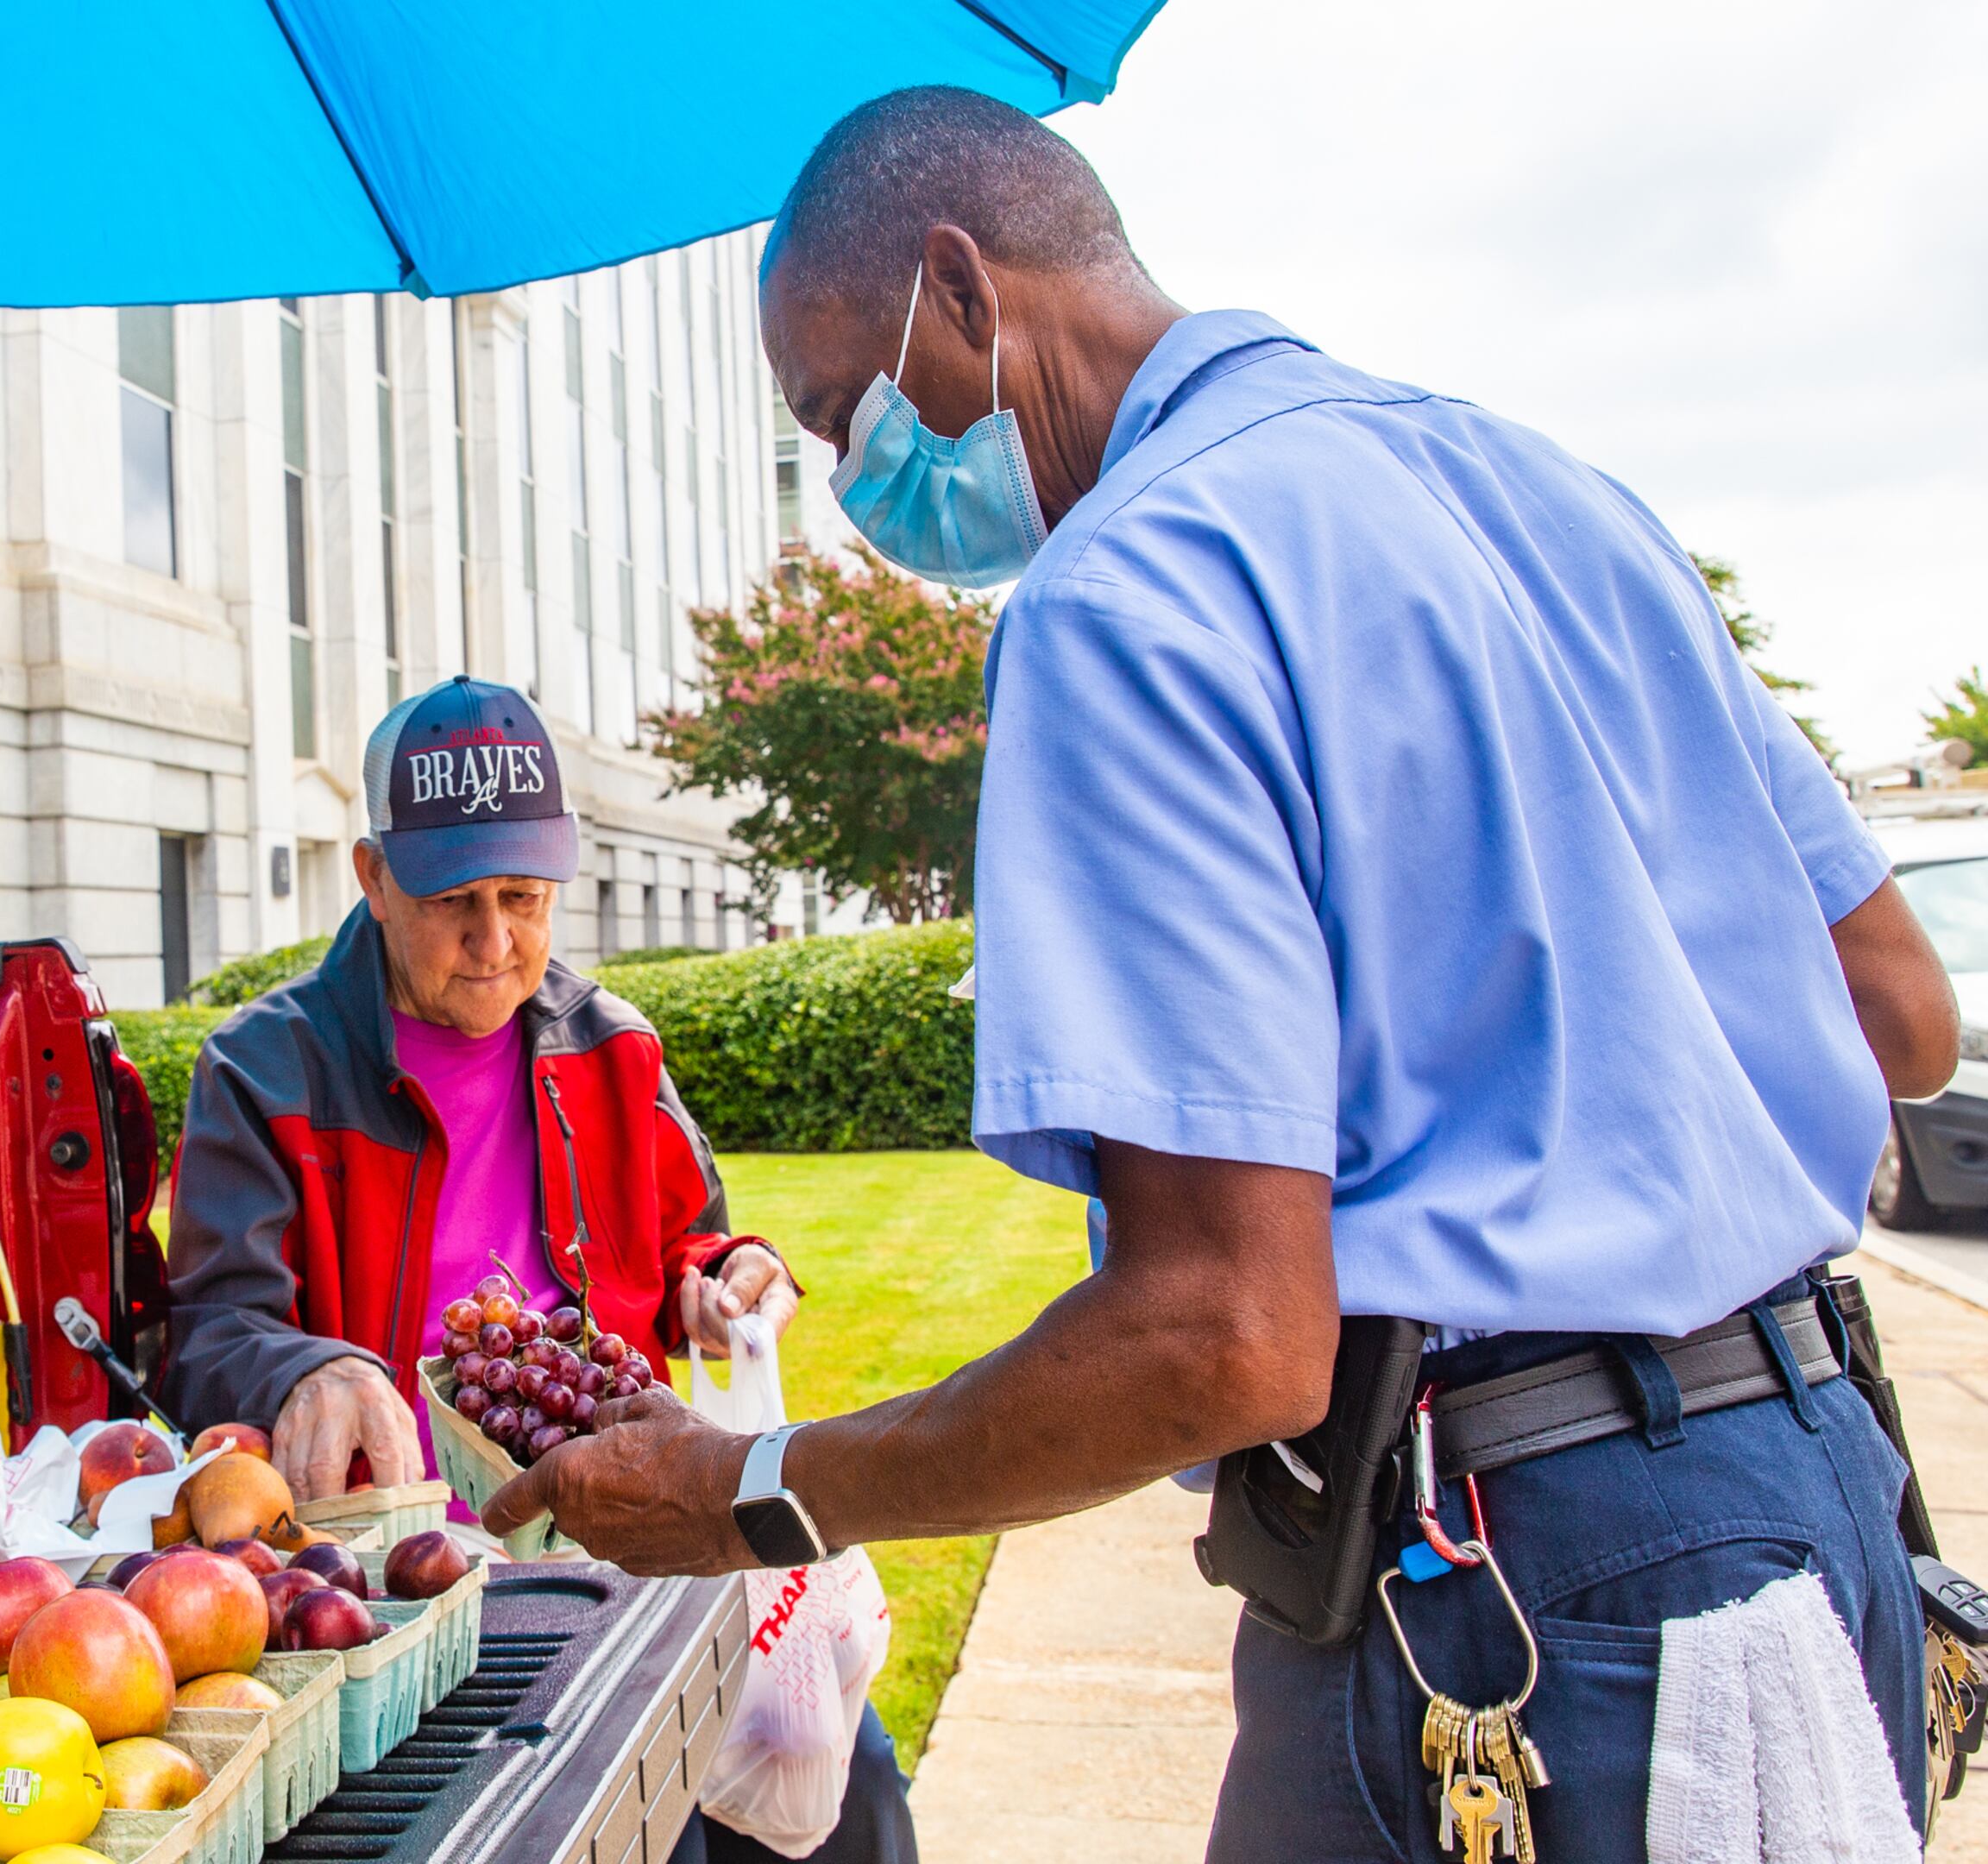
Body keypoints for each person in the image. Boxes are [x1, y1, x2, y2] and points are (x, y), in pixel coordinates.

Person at [484, 86, 1967, 1863]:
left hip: (1530, 1599)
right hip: (1825, 1504)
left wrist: (759, 1493)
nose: (853, 486)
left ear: (963, 289)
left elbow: (1224, 1337)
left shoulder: (1130, 591)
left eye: (843, 414)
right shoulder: (1549, 490)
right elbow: (1897, 1013)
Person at [164, 676, 915, 1864]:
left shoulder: (611, 1045)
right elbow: (209, 1331)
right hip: (400, 1594)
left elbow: (689, 1238)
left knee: (848, 1786)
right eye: (454, 900)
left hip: (629, 1532)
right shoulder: (266, 1072)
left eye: (524, 897)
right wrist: (301, 1367)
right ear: (370, 876)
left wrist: (726, 1276)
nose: (496, 941)